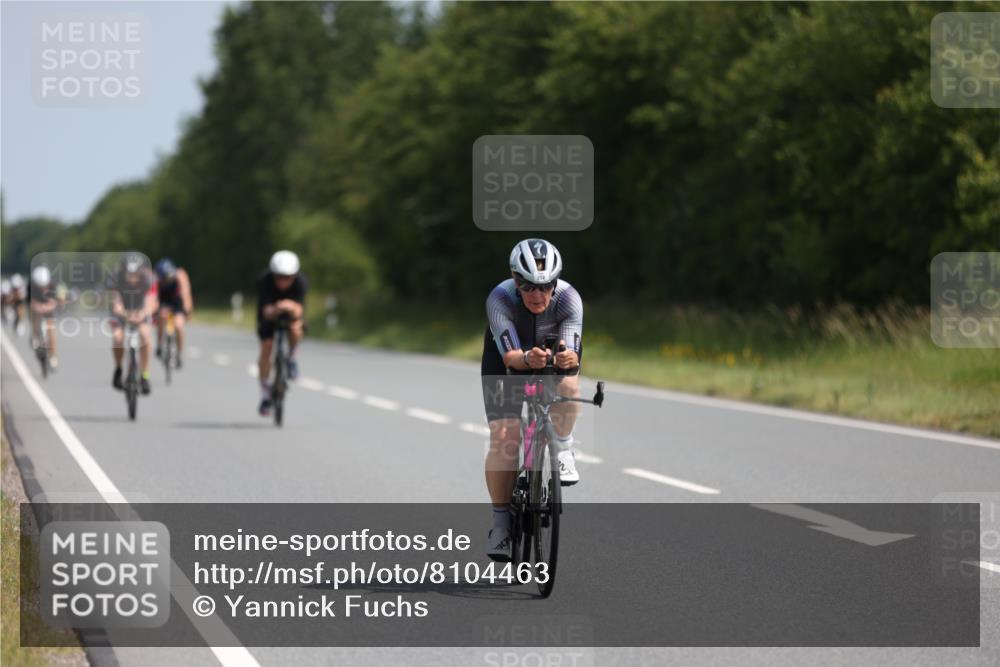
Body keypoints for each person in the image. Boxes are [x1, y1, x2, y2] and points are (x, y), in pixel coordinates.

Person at [480, 238, 584, 561]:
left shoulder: (569, 299)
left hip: (549, 352)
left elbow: (571, 353)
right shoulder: (500, 298)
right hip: (508, 360)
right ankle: (500, 527)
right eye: (528, 287)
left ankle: (563, 448)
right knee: (504, 436)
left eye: (545, 286)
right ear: (515, 281)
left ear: (555, 283)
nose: (538, 295)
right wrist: (528, 358)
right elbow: (510, 357)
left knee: (570, 384)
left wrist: (566, 360)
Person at [256, 250, 307, 416]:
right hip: (269, 315)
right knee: (266, 347)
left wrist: (290, 307)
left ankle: (291, 358)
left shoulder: (301, 282)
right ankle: (265, 394)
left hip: (291, 315)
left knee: (296, 328)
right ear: (273, 274)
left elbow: (300, 310)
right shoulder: (264, 281)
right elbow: (265, 311)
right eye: (279, 277)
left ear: (294, 276)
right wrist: (276, 309)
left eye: (288, 278)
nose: (283, 282)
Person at [108, 253, 157, 395]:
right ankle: (118, 369)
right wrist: (125, 314)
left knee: (145, 336)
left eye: (136, 274)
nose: (132, 278)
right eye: (129, 274)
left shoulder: (149, 279)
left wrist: (143, 314)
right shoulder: (116, 279)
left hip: (141, 309)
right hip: (122, 311)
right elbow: (116, 304)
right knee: (118, 337)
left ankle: (144, 376)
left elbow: (151, 301)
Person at [153, 258, 194, 367]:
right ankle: (159, 345)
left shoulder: (180, 275)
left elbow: (186, 294)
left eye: (169, 278)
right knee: (161, 317)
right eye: (164, 278)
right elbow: (153, 298)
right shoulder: (156, 279)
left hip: (176, 302)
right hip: (162, 300)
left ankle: (179, 353)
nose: (167, 280)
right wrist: (155, 310)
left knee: (179, 326)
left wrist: (187, 311)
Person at [28, 266, 61, 369]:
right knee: (35, 316)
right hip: (36, 306)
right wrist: (37, 307)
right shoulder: (30, 286)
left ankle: (53, 356)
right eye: (39, 286)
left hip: (48, 307)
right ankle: (35, 334)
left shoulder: (53, 285)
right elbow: (30, 302)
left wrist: (46, 307)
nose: (42, 288)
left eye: (44, 285)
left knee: (51, 329)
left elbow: (55, 302)